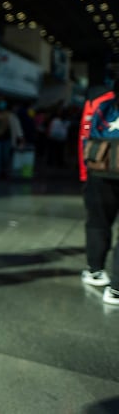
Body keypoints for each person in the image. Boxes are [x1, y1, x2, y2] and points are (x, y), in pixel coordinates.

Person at [81, 87, 119, 304]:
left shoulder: (104, 105)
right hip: (103, 172)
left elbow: (87, 135)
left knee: (97, 222)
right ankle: (117, 289)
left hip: (101, 170)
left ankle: (95, 271)